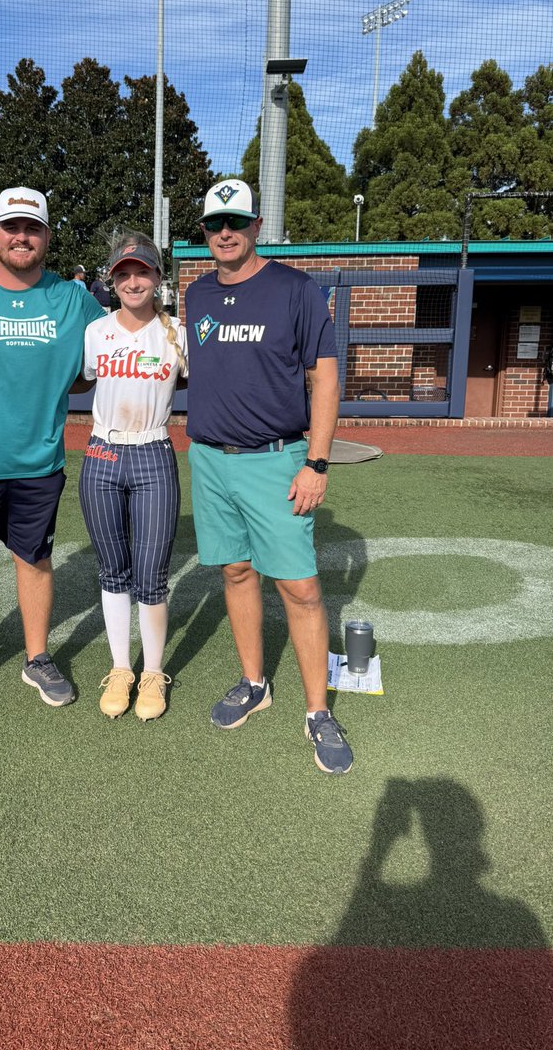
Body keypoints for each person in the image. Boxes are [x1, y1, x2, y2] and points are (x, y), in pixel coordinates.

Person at [183, 179, 352, 774]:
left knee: (301, 588)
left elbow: (325, 380)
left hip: (278, 459)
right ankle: (255, 682)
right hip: (209, 457)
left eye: (235, 221)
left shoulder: (296, 290)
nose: (224, 233)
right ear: (202, 231)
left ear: (256, 225)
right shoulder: (196, 295)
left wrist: (316, 462)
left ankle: (317, 712)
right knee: (234, 571)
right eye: (213, 224)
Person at [0, 187, 103, 719]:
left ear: (47, 235)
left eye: (32, 227)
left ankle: (37, 657)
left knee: (35, 559)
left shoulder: (75, 299)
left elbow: (110, 351)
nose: (21, 236)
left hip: (39, 461)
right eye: (11, 226)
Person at [79, 232, 188, 721]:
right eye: (123, 273)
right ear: (112, 280)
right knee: (112, 570)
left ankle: (153, 672)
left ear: (159, 278)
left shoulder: (178, 334)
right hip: (102, 455)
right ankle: (122, 667)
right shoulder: (96, 333)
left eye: (142, 271)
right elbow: (79, 377)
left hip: (153, 454)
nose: (132, 281)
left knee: (152, 575)